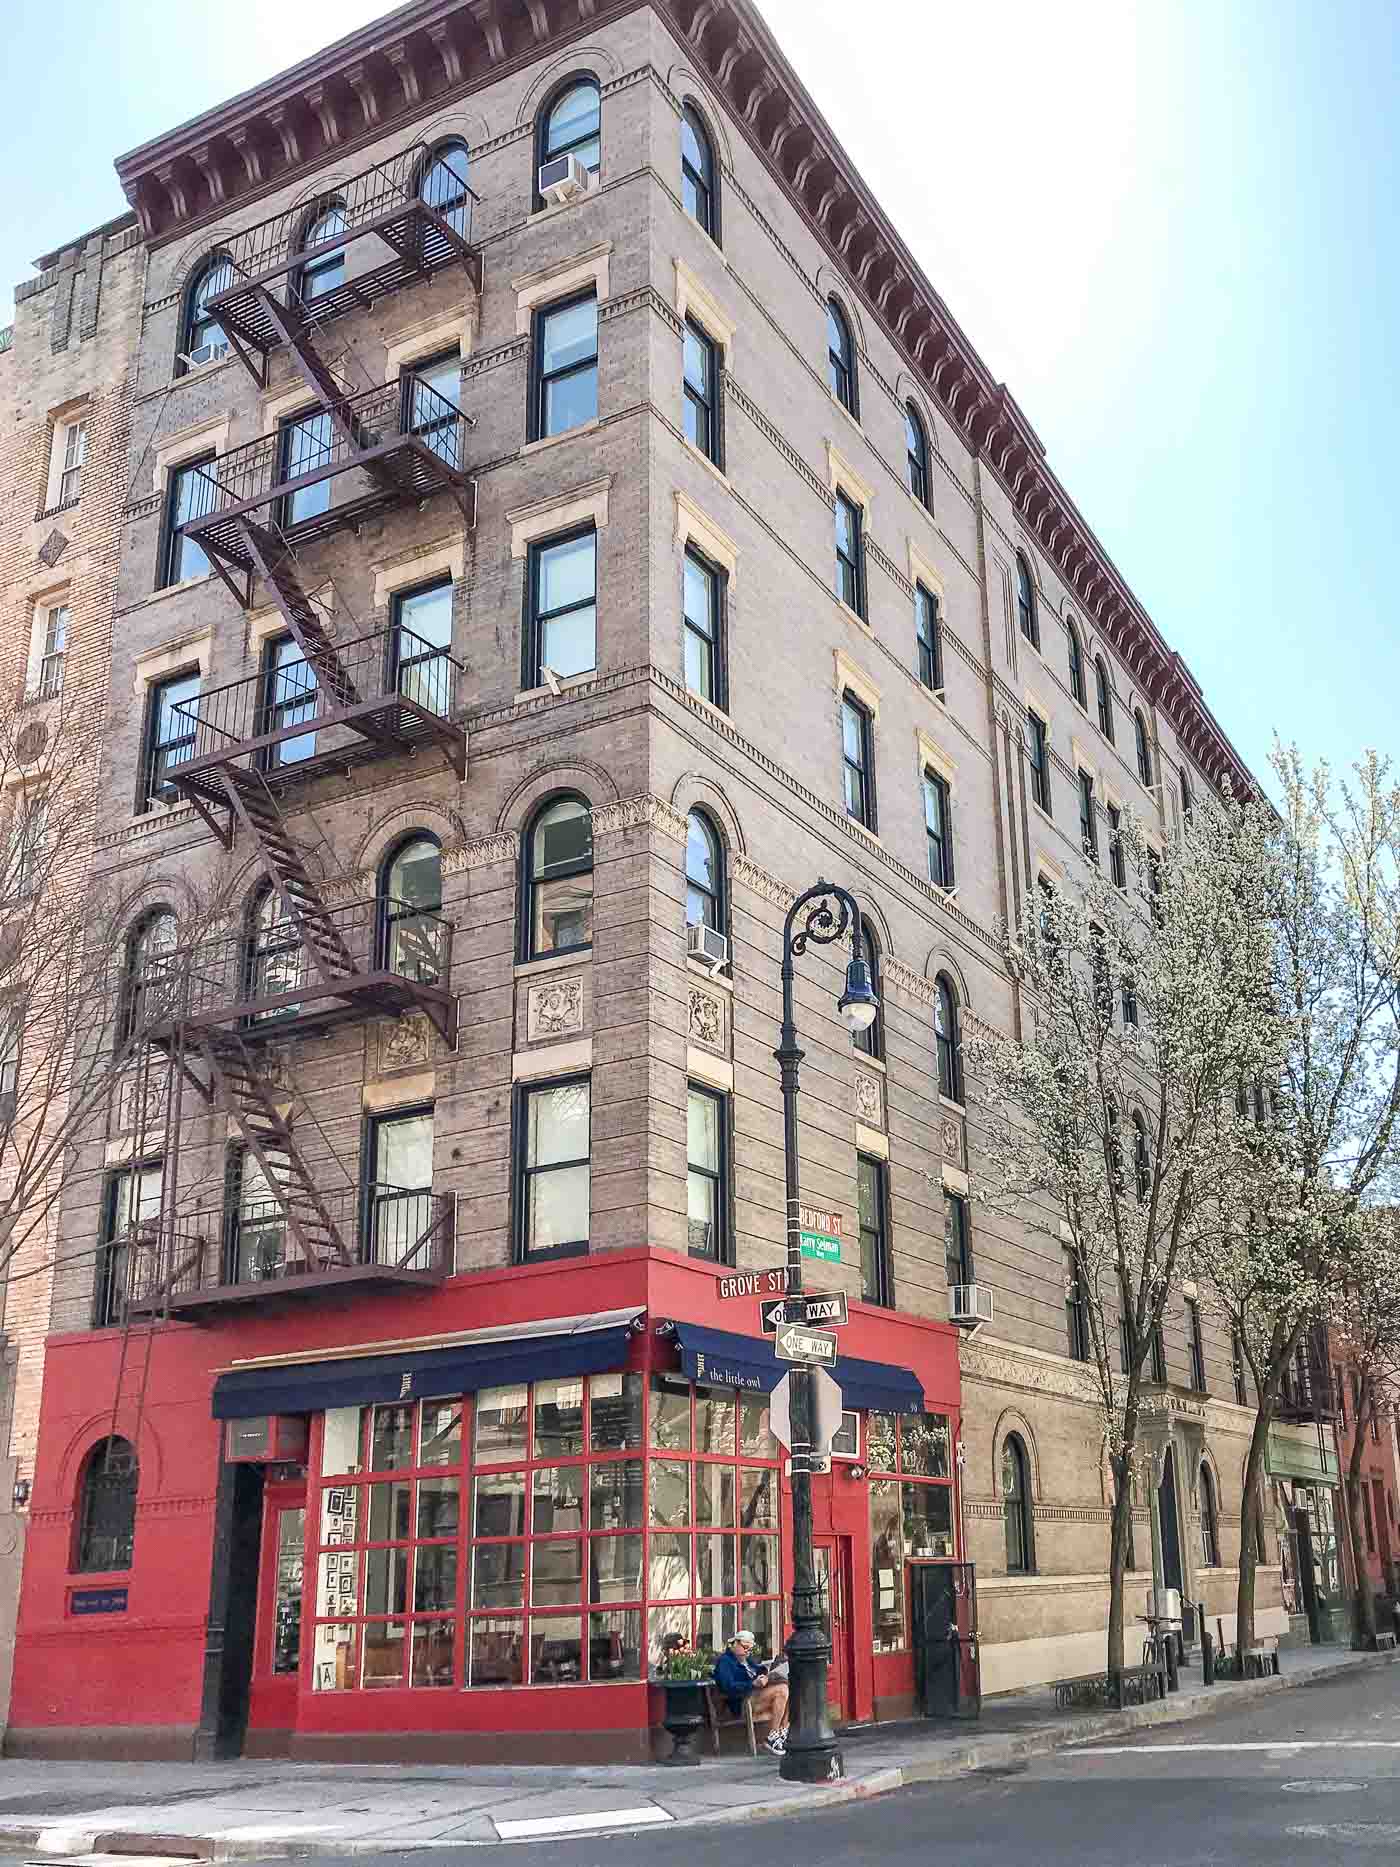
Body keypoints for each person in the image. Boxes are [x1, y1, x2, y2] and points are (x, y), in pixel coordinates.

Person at [713, 1629, 789, 1754]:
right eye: (745, 1648)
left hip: (755, 1697)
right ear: (735, 1644)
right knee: (781, 1690)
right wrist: (752, 1684)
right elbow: (728, 1686)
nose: (747, 1652)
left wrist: (767, 1674)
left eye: (749, 1649)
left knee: (791, 1691)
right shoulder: (725, 1661)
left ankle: (781, 1735)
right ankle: (772, 1737)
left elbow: (758, 1670)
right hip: (742, 1702)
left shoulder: (746, 1660)